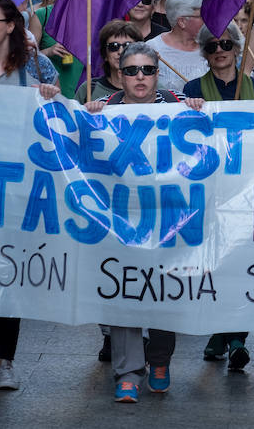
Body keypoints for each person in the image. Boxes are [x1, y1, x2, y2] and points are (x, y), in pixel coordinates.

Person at [86, 42, 196, 402]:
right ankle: (128, 372)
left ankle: (160, 361)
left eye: (147, 70)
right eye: (131, 70)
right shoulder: (105, 110)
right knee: (123, 291)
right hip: (121, 221)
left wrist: (201, 109)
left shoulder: (178, 103)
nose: (139, 78)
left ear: (157, 72)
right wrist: (85, 118)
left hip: (168, 220)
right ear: (120, 73)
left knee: (164, 292)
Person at [0, 0, 60, 396]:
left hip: (18, 192)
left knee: (8, 277)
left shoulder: (34, 67)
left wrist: (51, 97)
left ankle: (4, 363)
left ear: (12, 25)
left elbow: (60, 115)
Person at [184, 22, 254, 369]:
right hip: (209, 193)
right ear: (205, 54)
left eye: (225, 44)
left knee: (240, 265)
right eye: (211, 47)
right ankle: (222, 335)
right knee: (214, 267)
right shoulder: (192, 89)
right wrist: (187, 109)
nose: (219, 50)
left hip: (248, 191)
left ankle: (235, 338)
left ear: (237, 48)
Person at [147, 0, 206, 93]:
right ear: (182, 22)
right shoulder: (152, 49)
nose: (206, 20)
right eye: (201, 16)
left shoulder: (211, 48)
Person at [74, 19, 142, 103]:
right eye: (113, 46)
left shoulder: (151, 87)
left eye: (127, 46)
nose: (120, 52)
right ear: (105, 54)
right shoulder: (88, 89)